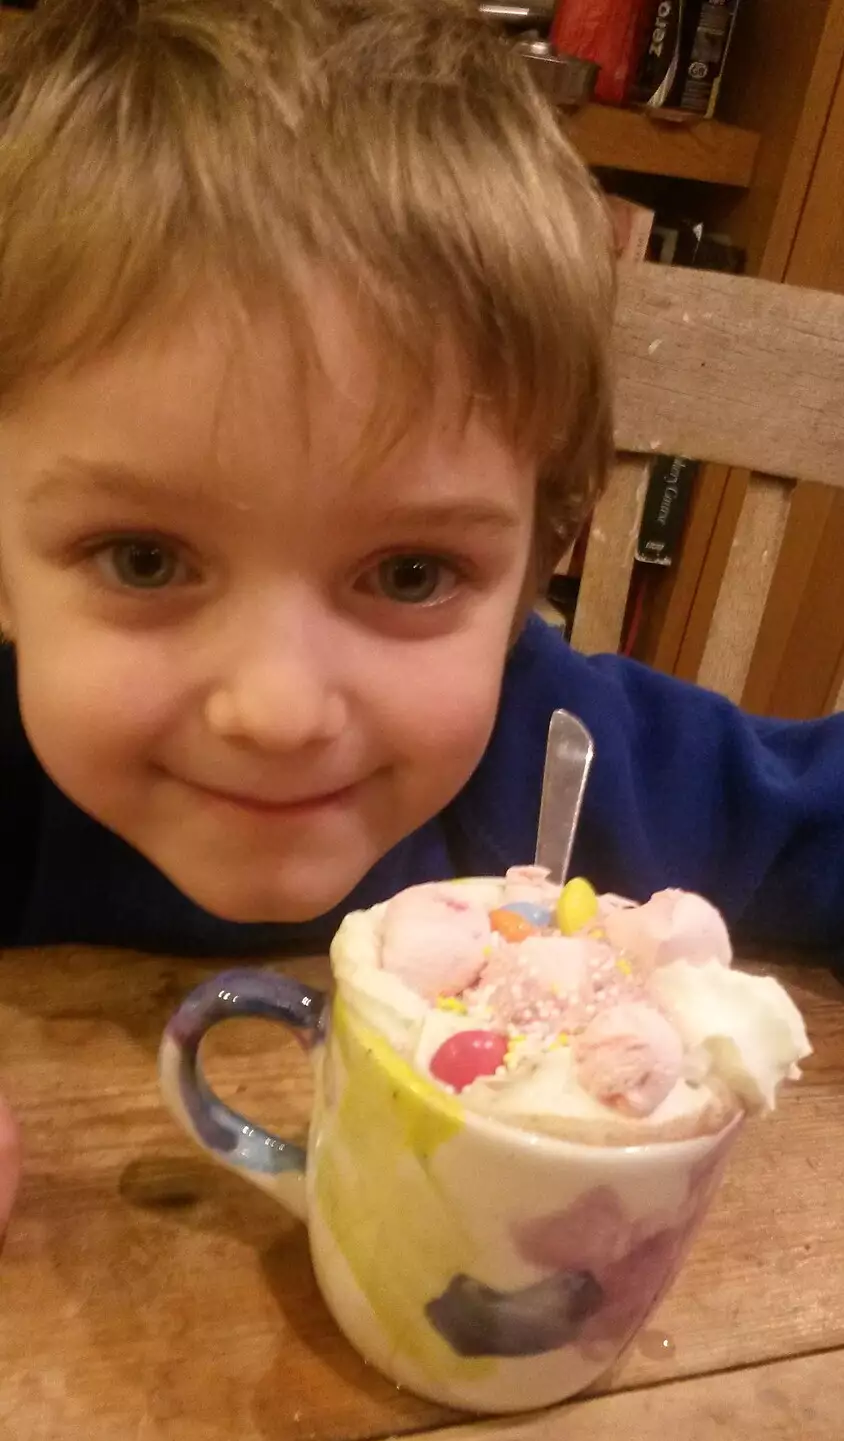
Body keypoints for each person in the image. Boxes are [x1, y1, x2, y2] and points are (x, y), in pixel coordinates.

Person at [0, 0, 842, 961]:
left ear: (540, 555)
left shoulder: (583, 757)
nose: (278, 712)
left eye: (410, 574)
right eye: (144, 561)